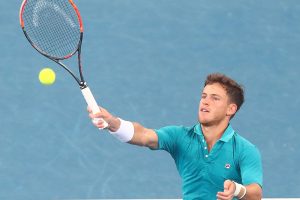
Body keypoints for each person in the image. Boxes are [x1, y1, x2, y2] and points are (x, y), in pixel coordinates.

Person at [88, 73, 263, 200]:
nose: (205, 102)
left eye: (215, 98)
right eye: (204, 96)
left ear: (231, 109)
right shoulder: (180, 137)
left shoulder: (245, 150)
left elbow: (256, 193)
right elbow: (143, 135)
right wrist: (113, 122)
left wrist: (238, 190)